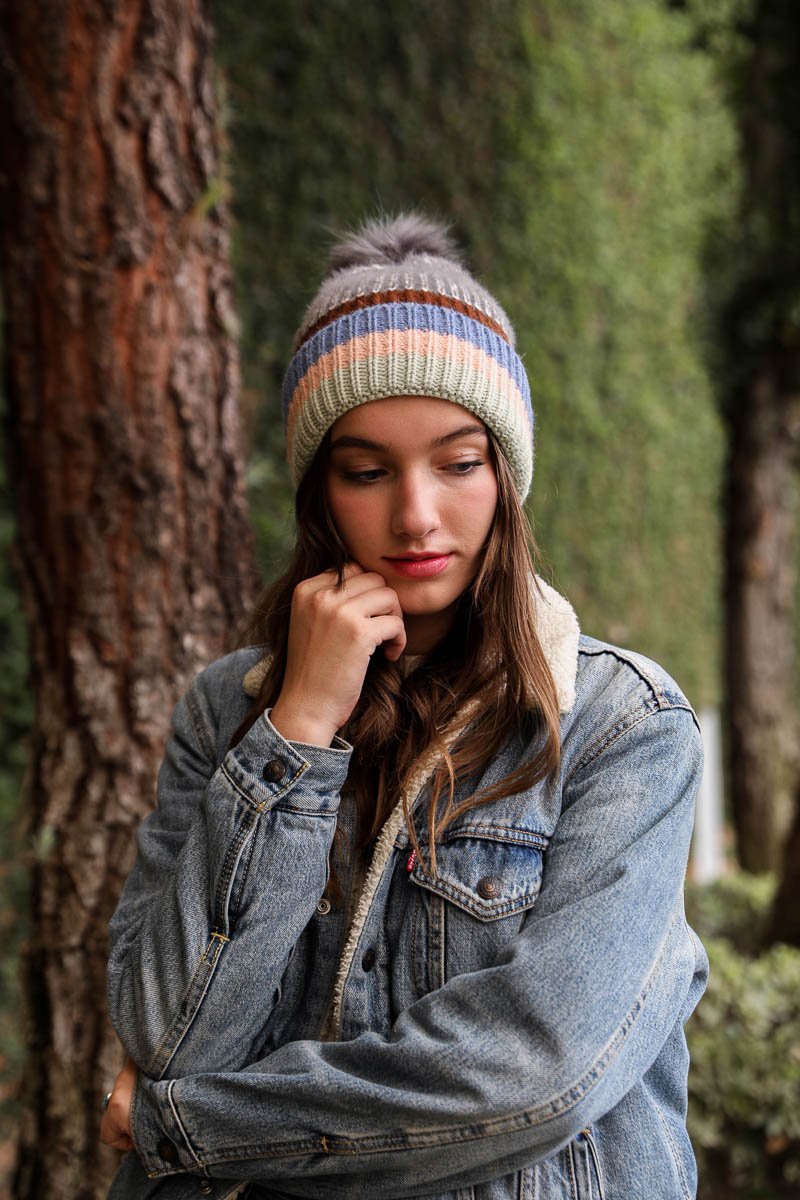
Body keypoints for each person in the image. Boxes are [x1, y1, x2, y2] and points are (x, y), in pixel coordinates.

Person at [101, 214, 707, 1200]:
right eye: (367, 470)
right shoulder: (228, 715)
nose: (417, 516)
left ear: (505, 476)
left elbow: (529, 1074)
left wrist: (191, 1127)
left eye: (458, 463)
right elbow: (169, 1031)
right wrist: (295, 730)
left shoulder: (621, 725)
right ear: (319, 491)